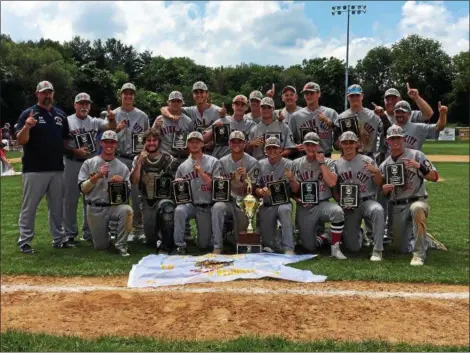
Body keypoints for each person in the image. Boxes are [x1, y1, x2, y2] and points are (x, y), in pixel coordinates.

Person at [15, 80, 76, 254]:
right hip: (34, 168)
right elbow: (21, 140)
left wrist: (74, 151)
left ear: (53, 94)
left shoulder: (60, 115)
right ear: (37, 94)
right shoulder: (29, 113)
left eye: (49, 92)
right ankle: (25, 241)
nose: (47, 95)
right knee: (30, 207)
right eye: (44, 92)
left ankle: (59, 239)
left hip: (57, 167)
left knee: (57, 207)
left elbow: (65, 140)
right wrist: (27, 126)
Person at [379, 125, 440, 266]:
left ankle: (419, 255)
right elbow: (384, 193)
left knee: (417, 209)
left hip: (417, 200)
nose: (395, 142)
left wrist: (419, 167)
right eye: (392, 139)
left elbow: (435, 177)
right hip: (397, 206)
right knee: (401, 249)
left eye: (398, 138)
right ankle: (425, 239)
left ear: (403, 139)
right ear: (387, 141)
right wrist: (386, 190)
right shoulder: (385, 165)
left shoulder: (416, 155)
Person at [63, 93, 116, 244]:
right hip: (72, 162)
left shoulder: (95, 121)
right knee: (70, 199)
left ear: (90, 106)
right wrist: (74, 151)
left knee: (91, 198)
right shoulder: (67, 121)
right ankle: (70, 233)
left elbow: (112, 128)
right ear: (75, 105)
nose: (84, 106)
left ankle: (89, 231)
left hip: (91, 163)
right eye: (81, 103)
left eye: (87, 104)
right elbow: (62, 143)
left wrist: (112, 118)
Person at [290, 132, 347, 259]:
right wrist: (297, 199)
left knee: (337, 212)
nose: (310, 148)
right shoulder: (295, 163)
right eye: (308, 145)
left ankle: (335, 248)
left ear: (318, 146)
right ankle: (326, 235)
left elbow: (332, 182)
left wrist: (321, 163)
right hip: (305, 206)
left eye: (313, 145)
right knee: (310, 247)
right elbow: (292, 190)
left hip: (323, 203)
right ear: (303, 146)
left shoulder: (329, 162)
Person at [78, 130, 133, 257]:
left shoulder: (122, 167)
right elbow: (82, 189)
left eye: (112, 142)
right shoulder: (89, 163)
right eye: (106, 142)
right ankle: (106, 235)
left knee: (127, 210)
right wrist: (96, 176)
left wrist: (120, 185)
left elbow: (127, 193)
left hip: (113, 206)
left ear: (116, 145)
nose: (109, 144)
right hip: (95, 207)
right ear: (101, 143)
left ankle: (121, 244)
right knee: (101, 246)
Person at [106, 82, 150, 242]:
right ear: (121, 95)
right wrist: (114, 126)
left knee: (137, 196)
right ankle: (115, 229)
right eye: (126, 93)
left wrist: (143, 157)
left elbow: (148, 138)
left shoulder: (142, 116)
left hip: (136, 157)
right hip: (118, 157)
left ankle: (139, 229)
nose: (128, 96)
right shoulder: (113, 113)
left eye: (131, 93)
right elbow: (105, 136)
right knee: (117, 192)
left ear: (134, 96)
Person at [334, 131, 385, 261]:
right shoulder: (336, 164)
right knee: (353, 247)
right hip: (349, 205)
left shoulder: (367, 160)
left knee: (378, 210)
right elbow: (334, 189)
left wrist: (377, 172)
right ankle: (361, 234)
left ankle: (377, 250)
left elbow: (379, 183)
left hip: (367, 201)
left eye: (351, 142)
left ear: (357, 144)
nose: (348, 145)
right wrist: (341, 202)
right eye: (345, 143)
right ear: (341, 144)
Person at [172, 131, 223, 255]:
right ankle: (179, 245)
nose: (194, 144)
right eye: (191, 142)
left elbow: (218, 188)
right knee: (179, 210)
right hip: (190, 204)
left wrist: (201, 172)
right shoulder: (182, 167)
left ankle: (207, 239)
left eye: (197, 142)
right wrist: (178, 184)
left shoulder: (213, 162)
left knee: (203, 245)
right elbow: (177, 193)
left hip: (207, 205)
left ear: (202, 144)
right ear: (187, 144)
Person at [130, 129, 178, 253]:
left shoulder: (169, 159)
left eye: (154, 140)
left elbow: (175, 183)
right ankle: (157, 237)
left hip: (164, 199)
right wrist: (140, 162)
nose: (151, 143)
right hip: (147, 200)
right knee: (150, 240)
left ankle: (167, 245)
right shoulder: (137, 159)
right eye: (148, 140)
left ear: (159, 142)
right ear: (144, 142)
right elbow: (134, 181)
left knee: (167, 209)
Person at [213, 131, 259, 253]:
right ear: (229, 143)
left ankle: (231, 236)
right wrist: (231, 178)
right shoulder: (222, 161)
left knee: (241, 242)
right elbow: (217, 185)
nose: (236, 144)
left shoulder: (252, 162)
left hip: (244, 203)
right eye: (234, 141)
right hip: (227, 200)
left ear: (244, 144)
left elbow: (253, 188)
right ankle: (217, 246)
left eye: (240, 141)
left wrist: (246, 178)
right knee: (217, 207)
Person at [254, 137, 296, 254]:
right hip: (267, 204)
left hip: (283, 202)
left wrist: (292, 179)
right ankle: (274, 241)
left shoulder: (290, 164)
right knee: (268, 245)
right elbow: (254, 187)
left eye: (275, 147)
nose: (272, 150)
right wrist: (261, 191)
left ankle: (289, 247)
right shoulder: (259, 164)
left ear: (280, 149)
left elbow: (296, 189)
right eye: (269, 148)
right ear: (265, 150)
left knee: (285, 210)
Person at [160, 82, 221, 146]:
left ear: (207, 94)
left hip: (214, 151)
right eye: (196, 92)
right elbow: (164, 109)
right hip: (195, 148)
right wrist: (170, 116)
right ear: (193, 95)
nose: (199, 95)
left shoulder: (218, 110)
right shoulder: (189, 110)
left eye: (201, 92)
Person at [289, 82, 339, 158]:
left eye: (311, 93)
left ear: (318, 94)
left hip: (325, 155)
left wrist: (328, 121)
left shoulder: (330, 112)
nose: (308, 96)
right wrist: (295, 146)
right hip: (304, 157)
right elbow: (289, 139)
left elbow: (340, 133)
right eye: (306, 93)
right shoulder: (296, 116)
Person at [336, 84, 384, 159]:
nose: (355, 98)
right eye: (352, 96)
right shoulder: (341, 117)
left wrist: (383, 116)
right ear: (348, 97)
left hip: (368, 156)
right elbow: (335, 143)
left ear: (362, 96)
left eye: (357, 95)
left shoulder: (373, 115)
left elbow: (385, 133)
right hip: (348, 157)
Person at [203, 94, 256, 159]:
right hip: (219, 158)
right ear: (233, 106)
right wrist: (214, 129)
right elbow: (203, 139)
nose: (239, 107)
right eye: (237, 104)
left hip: (239, 161)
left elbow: (251, 148)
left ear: (247, 107)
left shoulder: (251, 125)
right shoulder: (222, 120)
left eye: (242, 105)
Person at [152, 91, 194, 168]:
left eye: (178, 101)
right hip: (163, 158)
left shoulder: (188, 121)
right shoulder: (160, 119)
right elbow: (151, 138)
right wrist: (156, 127)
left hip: (182, 158)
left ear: (182, 103)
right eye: (173, 101)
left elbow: (192, 141)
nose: (176, 103)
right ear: (168, 102)